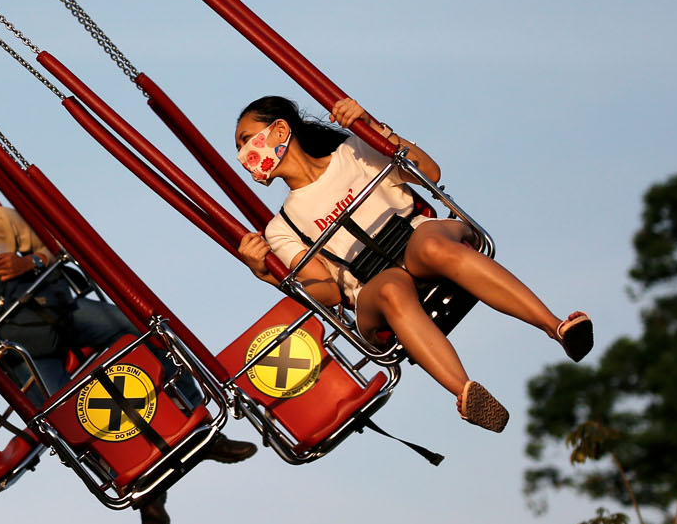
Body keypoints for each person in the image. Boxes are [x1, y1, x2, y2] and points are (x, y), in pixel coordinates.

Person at [0, 148, 256, 524]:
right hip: (16, 346)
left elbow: (54, 251)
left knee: (142, 330)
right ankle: (144, 489)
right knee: (62, 412)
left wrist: (30, 265)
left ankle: (200, 426)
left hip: (55, 311)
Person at [233, 96, 592, 433]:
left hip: (415, 241)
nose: (243, 154)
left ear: (280, 130)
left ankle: (556, 327)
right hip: (370, 288)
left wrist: (374, 128)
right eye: (239, 148)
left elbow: (428, 172)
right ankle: (466, 393)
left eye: (247, 140)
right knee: (391, 285)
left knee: (433, 245)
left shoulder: (354, 152)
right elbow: (326, 291)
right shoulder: (282, 227)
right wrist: (268, 275)